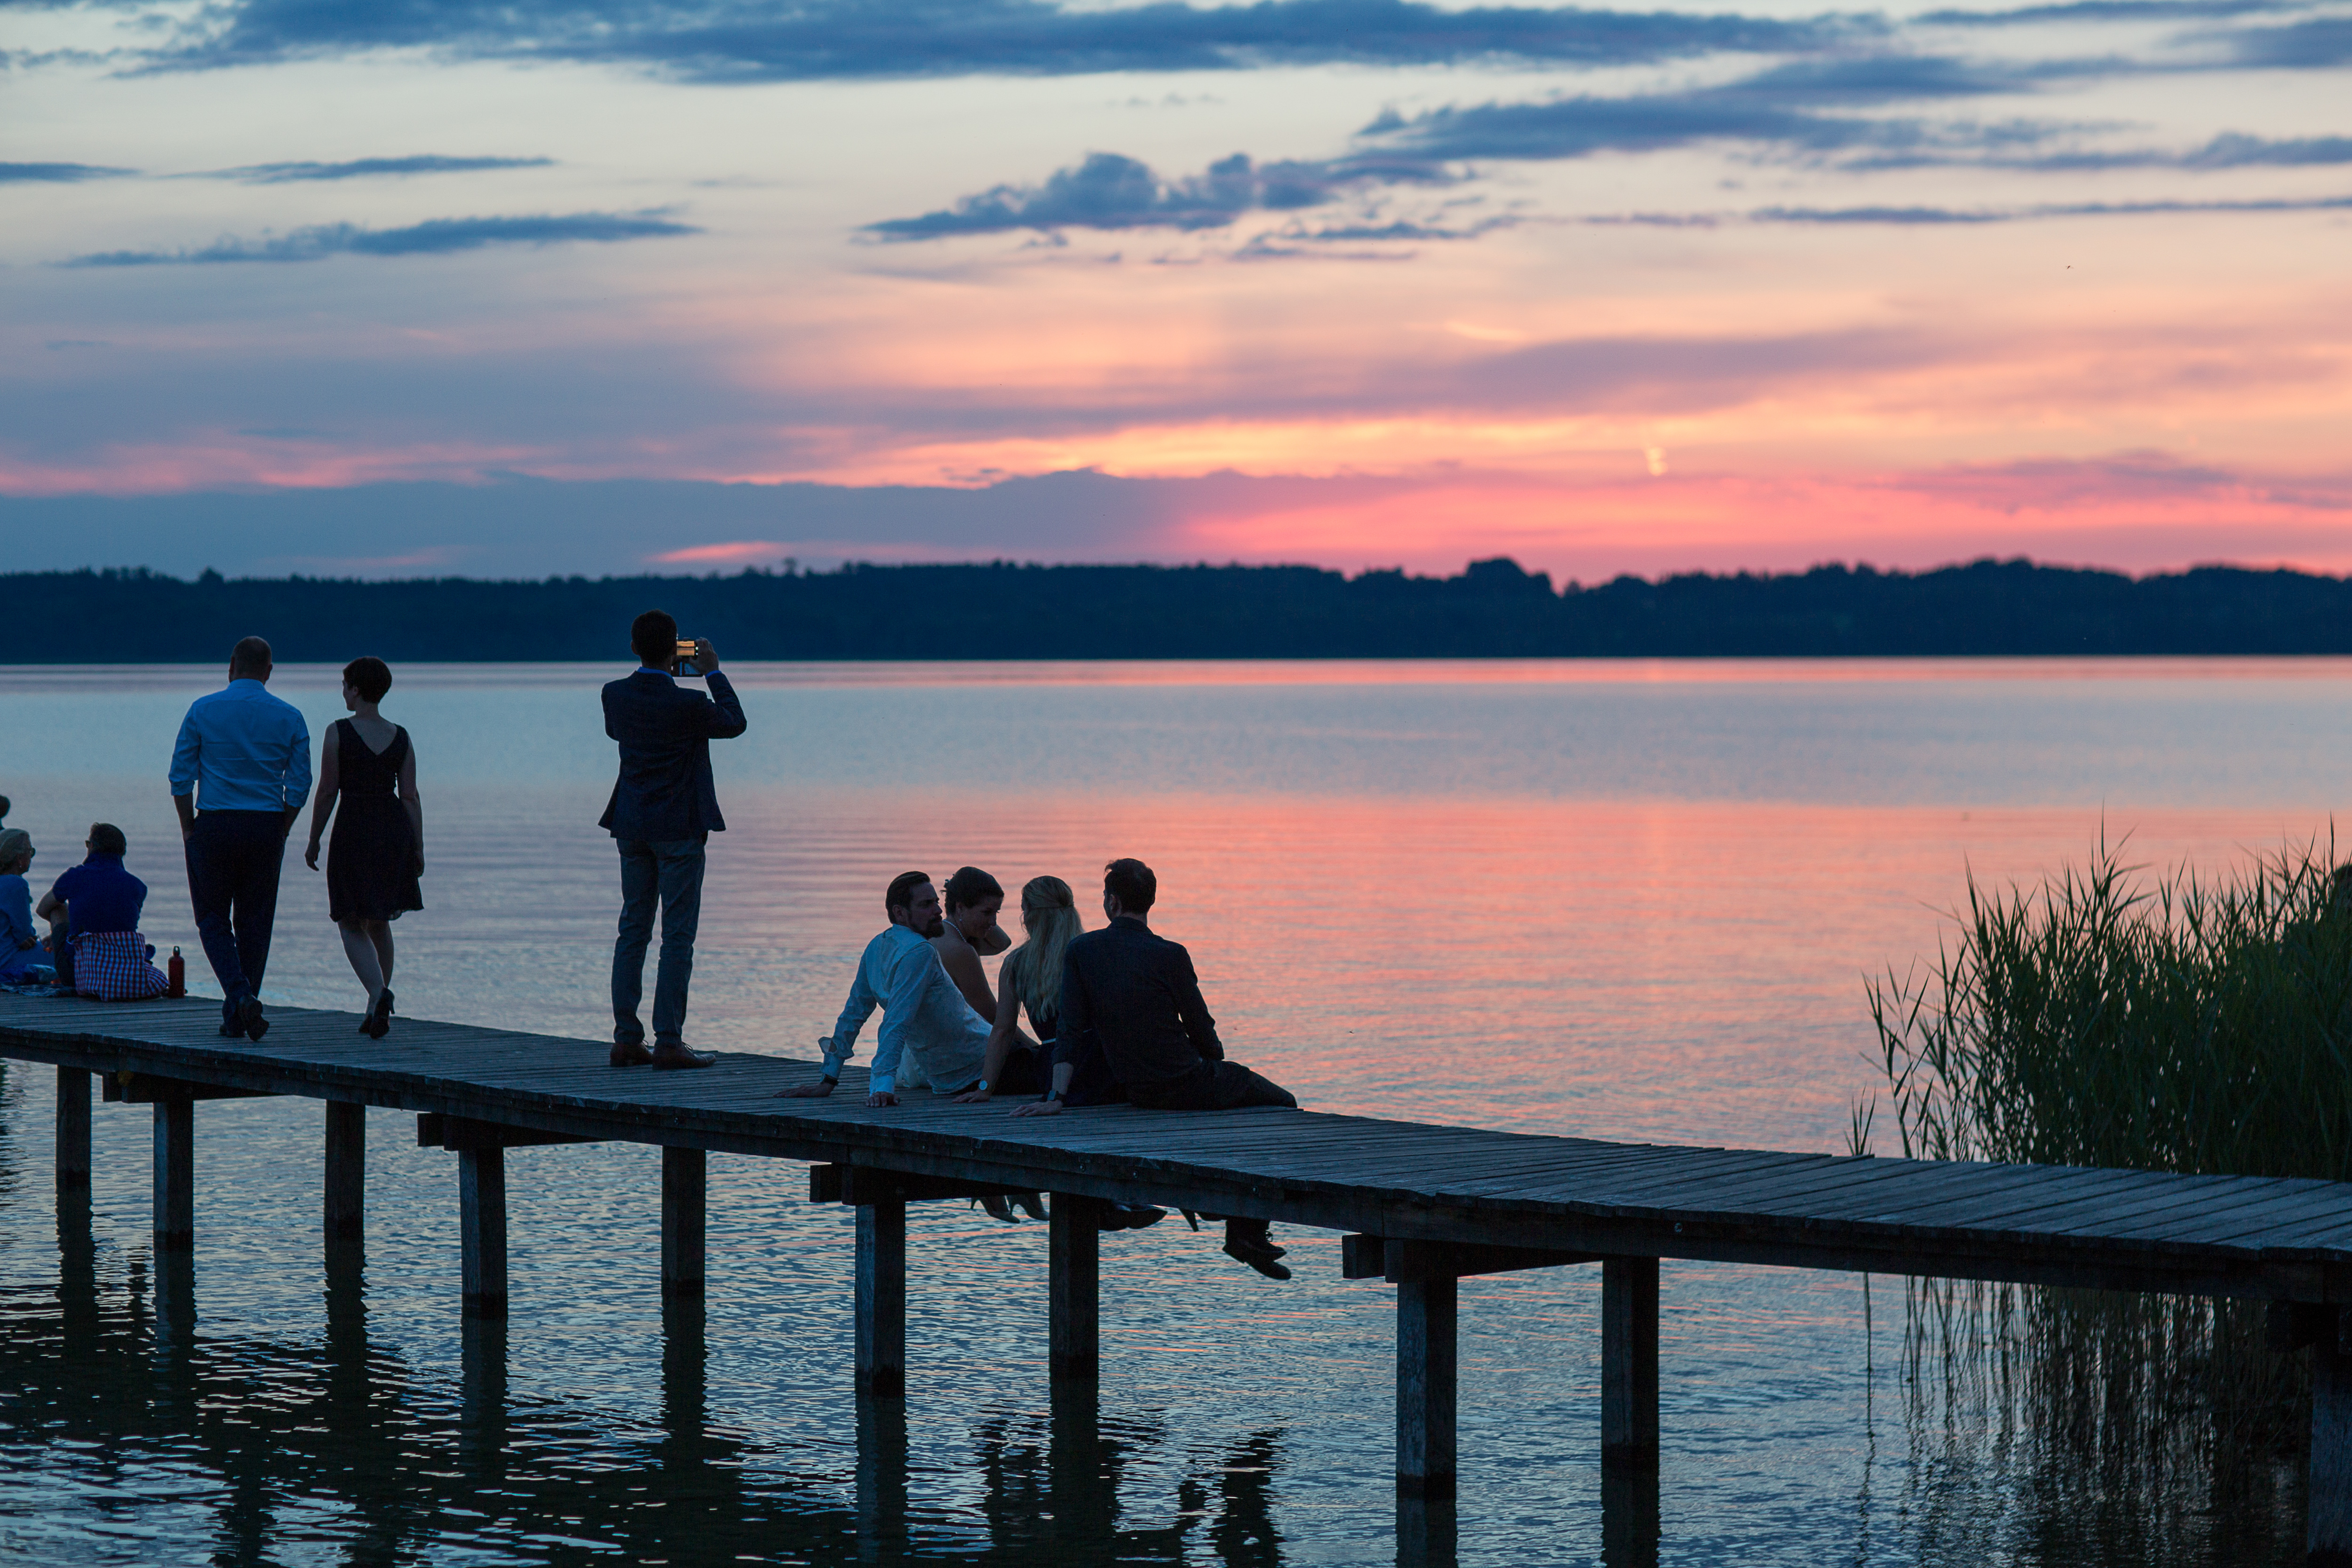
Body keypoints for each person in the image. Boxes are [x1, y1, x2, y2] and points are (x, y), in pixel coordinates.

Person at [1015, 858, 1297, 1279]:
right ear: (1151, 901)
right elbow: (1201, 1027)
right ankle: (1247, 1229)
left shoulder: (1083, 951)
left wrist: (1056, 1097)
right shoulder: (1170, 954)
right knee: (1281, 1103)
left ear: (1111, 903)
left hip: (1137, 1088)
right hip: (1186, 1081)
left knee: (1232, 1094)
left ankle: (1230, 1217)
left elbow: (1071, 1030)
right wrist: (1214, 1061)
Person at [954, 874, 1159, 1230]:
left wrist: (985, 1088)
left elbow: (1002, 1031)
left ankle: (1111, 1201)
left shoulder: (1018, 963)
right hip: (1105, 1066)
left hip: (1057, 1068)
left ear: (1029, 916)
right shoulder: (1094, 950)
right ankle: (1120, 1198)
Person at [602, 610, 745, 1070]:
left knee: (632, 931)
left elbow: (616, 731)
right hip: (679, 828)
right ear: (673, 651)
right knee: (676, 937)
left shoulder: (614, 695)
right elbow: (734, 722)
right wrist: (713, 672)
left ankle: (626, 1039)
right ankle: (668, 1041)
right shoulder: (687, 705)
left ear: (632, 648)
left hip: (631, 826)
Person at [170, 636, 310, 1041]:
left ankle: (240, 999)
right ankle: (239, 1011)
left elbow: (181, 778)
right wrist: (283, 826)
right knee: (255, 923)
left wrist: (187, 826)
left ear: (231, 666)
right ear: (269, 671)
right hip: (266, 825)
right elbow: (299, 784)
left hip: (214, 823)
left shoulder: (203, 710)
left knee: (212, 920)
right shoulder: (290, 716)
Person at [780, 872, 992, 1106]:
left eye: (937, 902)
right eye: (926, 905)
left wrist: (828, 1079)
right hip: (980, 1068)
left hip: (968, 1068)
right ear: (899, 912)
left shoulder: (876, 946)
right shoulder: (920, 952)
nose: (939, 911)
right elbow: (894, 1021)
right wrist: (882, 1087)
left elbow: (852, 1016)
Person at [303, 656, 424, 1039]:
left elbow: (327, 791)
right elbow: (410, 797)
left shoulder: (338, 732)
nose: (343, 691)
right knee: (381, 920)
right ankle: (378, 1006)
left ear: (356, 689)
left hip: (354, 828)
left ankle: (377, 994)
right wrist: (418, 847)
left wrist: (313, 838)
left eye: (345, 685)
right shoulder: (401, 736)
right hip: (392, 830)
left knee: (349, 918)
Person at [39, 824, 169, 1001]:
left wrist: (60, 935)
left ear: (91, 846)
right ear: (122, 852)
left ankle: (66, 947)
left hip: (77, 975)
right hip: (124, 977)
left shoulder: (75, 876)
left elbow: (43, 908)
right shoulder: (137, 887)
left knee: (59, 909)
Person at [932, 866, 1011, 1020]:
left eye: (997, 912)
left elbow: (1003, 943)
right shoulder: (961, 951)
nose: (994, 922)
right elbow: (992, 1017)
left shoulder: (941, 935)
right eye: (987, 912)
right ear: (960, 907)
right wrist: (1034, 1045)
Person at [0, 828, 53, 985]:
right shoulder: (16, 884)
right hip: (7, 959)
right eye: (31, 851)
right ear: (19, 858)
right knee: (62, 953)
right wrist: (28, 939)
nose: (31, 856)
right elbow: (24, 933)